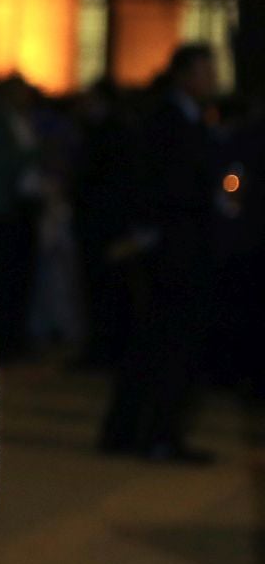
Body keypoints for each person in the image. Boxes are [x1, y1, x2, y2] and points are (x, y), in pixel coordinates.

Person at [98, 43, 223, 463]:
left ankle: (138, 430)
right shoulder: (168, 123)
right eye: (206, 71)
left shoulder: (190, 120)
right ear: (185, 75)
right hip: (173, 253)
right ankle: (157, 433)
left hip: (178, 248)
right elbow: (162, 185)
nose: (213, 80)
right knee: (167, 344)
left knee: (155, 343)